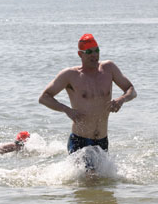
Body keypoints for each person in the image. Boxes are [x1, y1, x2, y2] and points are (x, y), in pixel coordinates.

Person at [39, 33, 137, 169]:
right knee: (91, 180)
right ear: (80, 54)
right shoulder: (70, 75)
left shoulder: (109, 69)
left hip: (102, 141)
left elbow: (131, 90)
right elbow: (44, 97)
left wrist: (121, 99)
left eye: (97, 51)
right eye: (89, 52)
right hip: (80, 140)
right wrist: (67, 110)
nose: (94, 55)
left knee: (102, 186)